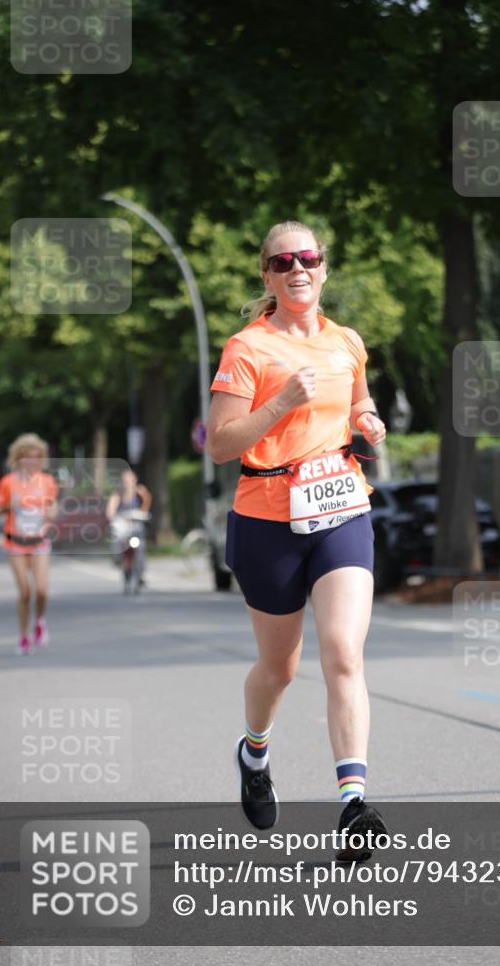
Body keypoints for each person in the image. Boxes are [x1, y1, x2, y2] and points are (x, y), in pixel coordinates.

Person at [208, 220, 388, 860]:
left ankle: (353, 803)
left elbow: (358, 403)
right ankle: (254, 752)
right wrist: (281, 400)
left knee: (343, 652)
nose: (297, 269)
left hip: (342, 507)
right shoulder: (246, 348)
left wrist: (367, 419)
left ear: (324, 267)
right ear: (267, 275)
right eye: (283, 261)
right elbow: (223, 444)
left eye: (308, 258)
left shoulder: (347, 342)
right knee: (280, 668)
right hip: (266, 518)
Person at [0, 433, 59, 655]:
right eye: (26, 457)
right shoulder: (7, 482)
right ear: (17, 458)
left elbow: (53, 508)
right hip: (15, 543)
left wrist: (50, 512)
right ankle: (23, 636)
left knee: (41, 591)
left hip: (39, 541)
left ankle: (39, 621)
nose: (30, 461)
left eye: (35, 457)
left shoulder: (47, 482)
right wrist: (8, 506)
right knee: (25, 592)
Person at [106, 469, 152, 579]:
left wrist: (143, 515)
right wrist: (112, 518)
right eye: (125, 480)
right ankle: (117, 558)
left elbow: (146, 506)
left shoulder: (141, 492)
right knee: (116, 537)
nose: (128, 483)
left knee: (140, 545)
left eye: (130, 480)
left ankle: (141, 571)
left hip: (136, 523)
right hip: (123, 524)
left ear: (135, 480)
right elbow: (110, 510)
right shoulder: (118, 494)